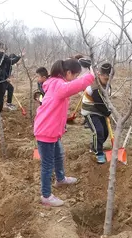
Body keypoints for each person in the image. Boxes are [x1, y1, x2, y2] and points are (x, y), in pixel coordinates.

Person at [34, 58, 94, 207]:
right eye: (74, 75)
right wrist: (92, 75)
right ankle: (46, 195)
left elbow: (74, 83)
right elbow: (76, 85)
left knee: (59, 155)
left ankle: (60, 179)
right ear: (68, 73)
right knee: (47, 164)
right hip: (46, 131)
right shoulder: (58, 85)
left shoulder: (56, 82)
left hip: (53, 130)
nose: (75, 78)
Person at [81, 63, 112, 164]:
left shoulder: (107, 85)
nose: (107, 80)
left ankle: (94, 146)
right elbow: (99, 104)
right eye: (105, 77)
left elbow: (106, 99)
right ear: (100, 75)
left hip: (100, 110)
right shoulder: (95, 87)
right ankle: (98, 153)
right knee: (98, 131)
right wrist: (107, 112)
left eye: (109, 78)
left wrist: (107, 109)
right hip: (90, 110)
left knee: (105, 132)